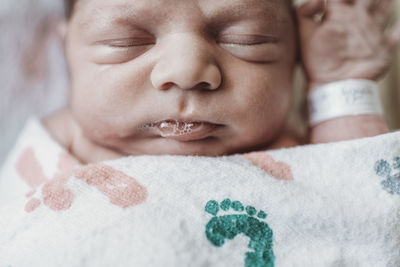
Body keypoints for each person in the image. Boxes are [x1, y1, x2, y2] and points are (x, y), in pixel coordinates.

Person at [29, 0, 400, 164]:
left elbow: (361, 197)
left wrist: (340, 81)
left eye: (247, 40)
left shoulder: (293, 151)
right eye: (126, 43)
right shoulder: (62, 143)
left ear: (296, 58)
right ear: (65, 50)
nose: (187, 71)